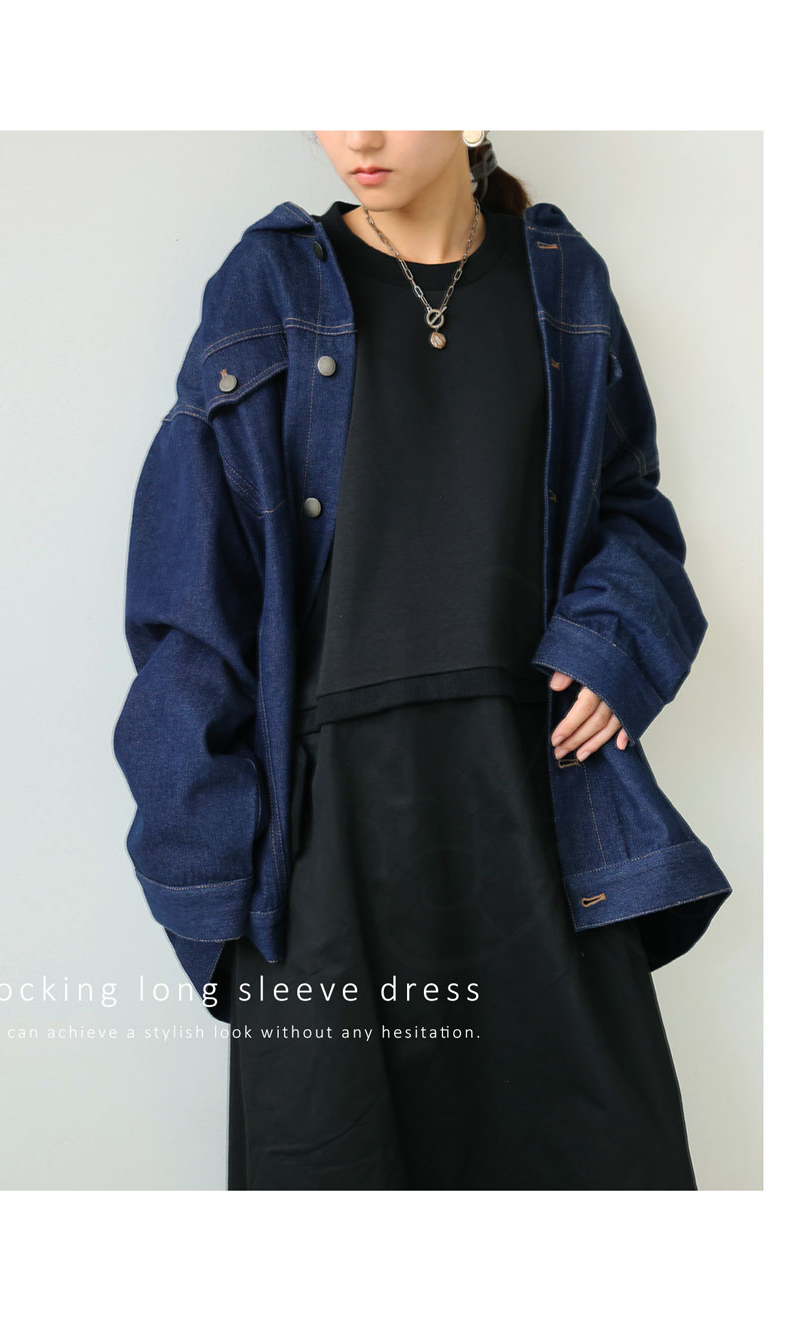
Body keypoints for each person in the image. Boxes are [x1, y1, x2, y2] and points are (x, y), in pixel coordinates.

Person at [114, 131, 731, 1190]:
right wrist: (211, 896)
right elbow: (186, 602)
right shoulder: (267, 287)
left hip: (541, 813)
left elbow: (630, 505)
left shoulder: (562, 280)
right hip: (327, 841)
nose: (358, 135)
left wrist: (612, 645)